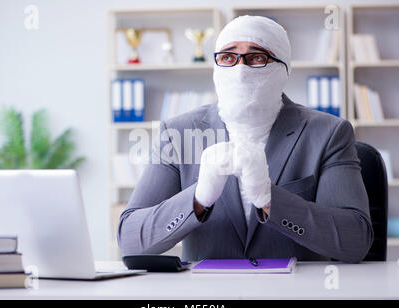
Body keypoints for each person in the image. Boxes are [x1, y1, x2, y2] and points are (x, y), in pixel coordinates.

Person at [117, 15, 373, 263]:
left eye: (257, 57)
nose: (240, 70)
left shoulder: (328, 133)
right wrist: (198, 199)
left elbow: (355, 242)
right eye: (228, 57)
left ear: (283, 69)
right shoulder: (177, 134)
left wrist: (270, 199)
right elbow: (131, 240)